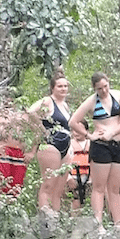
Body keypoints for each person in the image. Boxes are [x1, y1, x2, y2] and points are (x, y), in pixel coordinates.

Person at [69, 72, 120, 229]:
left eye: (105, 86)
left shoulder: (118, 96)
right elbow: (73, 121)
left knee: (114, 188)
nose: (103, 91)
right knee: (99, 186)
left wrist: (114, 132)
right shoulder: (91, 101)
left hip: (119, 145)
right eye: (99, 88)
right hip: (101, 146)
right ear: (94, 88)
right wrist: (89, 135)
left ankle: (118, 224)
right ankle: (98, 224)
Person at [28, 67, 71, 214]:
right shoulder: (48, 101)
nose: (63, 89)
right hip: (50, 144)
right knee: (48, 184)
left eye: (65, 86)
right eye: (60, 86)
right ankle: (45, 219)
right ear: (53, 88)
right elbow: (30, 113)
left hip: (66, 146)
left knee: (59, 188)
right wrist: (41, 130)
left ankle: (56, 220)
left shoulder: (65, 105)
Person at [66, 121, 91, 213]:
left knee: (91, 202)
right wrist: (68, 178)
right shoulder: (69, 144)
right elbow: (64, 163)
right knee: (74, 200)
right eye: (74, 130)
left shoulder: (92, 144)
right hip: (74, 177)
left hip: (89, 178)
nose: (76, 133)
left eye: (78, 130)